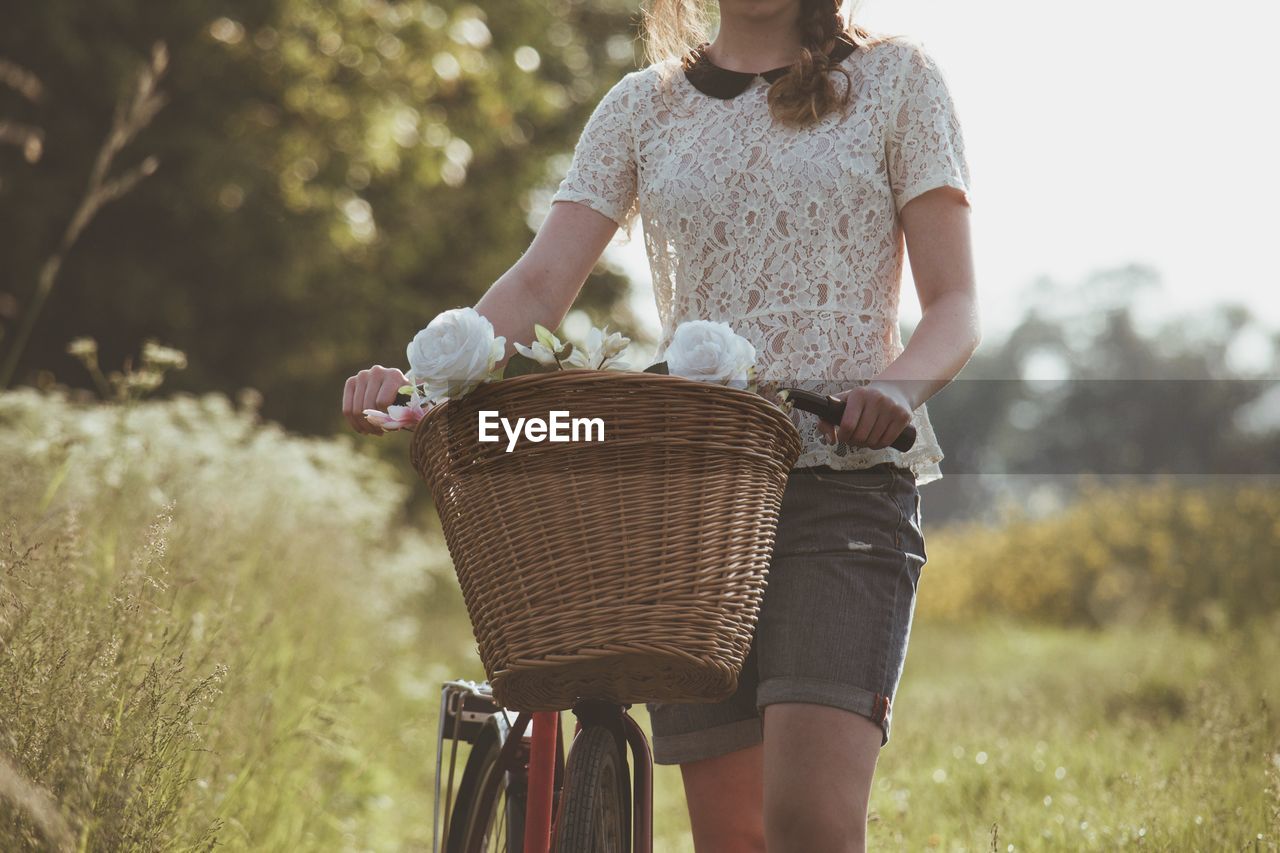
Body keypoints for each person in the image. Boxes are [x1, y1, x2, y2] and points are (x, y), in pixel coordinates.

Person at [343, 0, 979, 848]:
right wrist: (417, 383)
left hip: (843, 482)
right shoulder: (643, 106)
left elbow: (957, 304)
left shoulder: (897, 81)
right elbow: (538, 288)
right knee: (731, 836)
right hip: (696, 511)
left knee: (812, 824)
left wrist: (899, 389)